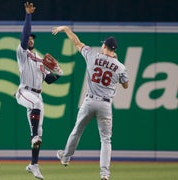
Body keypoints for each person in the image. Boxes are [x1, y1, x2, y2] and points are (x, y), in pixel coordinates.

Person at [52, 26, 129, 180]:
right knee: (106, 140)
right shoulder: (120, 67)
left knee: (77, 130)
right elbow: (125, 85)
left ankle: (66, 157)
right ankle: (105, 174)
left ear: (104, 46)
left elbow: (77, 42)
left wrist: (66, 29)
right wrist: (116, 63)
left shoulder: (92, 55)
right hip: (105, 104)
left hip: (90, 101)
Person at [15, 2, 63, 180]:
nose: (30, 39)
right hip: (24, 92)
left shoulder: (40, 59)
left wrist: (58, 73)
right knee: (35, 107)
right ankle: (33, 136)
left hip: (37, 94)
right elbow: (25, 35)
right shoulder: (21, 52)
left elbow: (48, 80)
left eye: (33, 38)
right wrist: (28, 15)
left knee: (40, 134)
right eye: (28, 38)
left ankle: (34, 165)